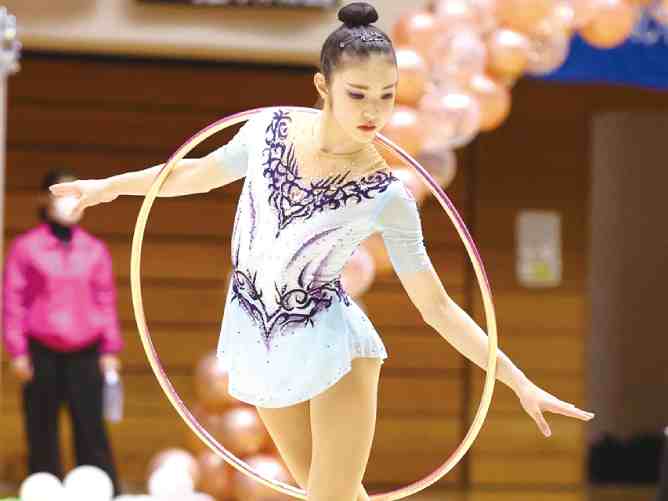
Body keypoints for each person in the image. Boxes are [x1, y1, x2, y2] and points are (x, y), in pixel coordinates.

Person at [49, 3, 595, 500]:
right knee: (331, 496)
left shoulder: (387, 193)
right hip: (254, 341)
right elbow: (192, 174)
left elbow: (437, 307)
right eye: (358, 94)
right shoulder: (267, 132)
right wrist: (111, 186)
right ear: (323, 85)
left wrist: (517, 380)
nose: (373, 111)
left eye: (386, 95)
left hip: (336, 349)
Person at [2, 168, 122, 494]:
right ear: (45, 200)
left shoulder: (95, 250)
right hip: (41, 352)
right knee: (41, 428)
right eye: (61, 197)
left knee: (91, 428)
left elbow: (105, 299)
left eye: (74, 197)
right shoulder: (26, 248)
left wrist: (110, 349)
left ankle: (101, 492)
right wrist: (17, 351)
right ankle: (45, 492)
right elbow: (13, 300)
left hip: (87, 352)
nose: (69, 206)